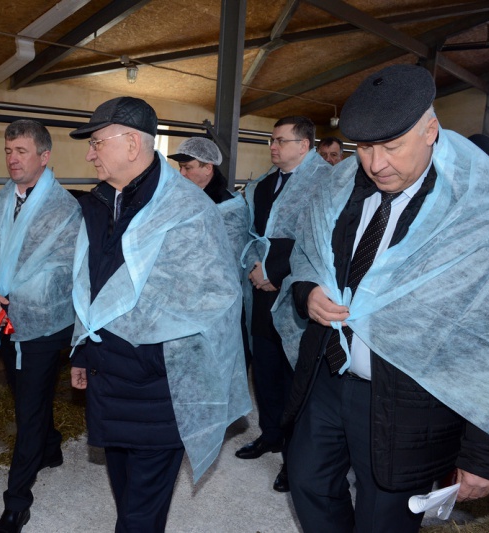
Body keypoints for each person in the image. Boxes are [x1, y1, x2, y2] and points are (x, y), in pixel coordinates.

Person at [273, 64, 489, 533]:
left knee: (384, 518)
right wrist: (307, 293)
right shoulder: (340, 186)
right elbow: (308, 259)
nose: (376, 164)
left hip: (412, 400)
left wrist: (486, 454)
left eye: (392, 146)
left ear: (431, 130)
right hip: (329, 379)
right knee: (308, 482)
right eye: (364, 148)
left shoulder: (484, 209)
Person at [68, 96, 250, 532]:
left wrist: (150, 354)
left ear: (132, 144)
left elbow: (216, 298)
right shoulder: (98, 203)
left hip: (159, 384)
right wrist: (81, 350)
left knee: (139, 515)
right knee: (124, 490)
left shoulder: (188, 210)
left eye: (96, 143)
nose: (90, 154)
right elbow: (88, 286)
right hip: (108, 376)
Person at [0, 120, 82, 533]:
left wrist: (13, 301)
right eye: (8, 151)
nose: (12, 159)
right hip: (5, 320)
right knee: (25, 393)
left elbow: (65, 272)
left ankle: (17, 503)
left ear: (44, 157)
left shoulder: (64, 210)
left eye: (22, 151)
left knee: (28, 409)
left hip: (44, 325)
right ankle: (51, 447)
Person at [237, 116, 331, 495]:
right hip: (261, 290)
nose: (273, 147)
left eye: (280, 140)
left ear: (304, 145)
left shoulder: (326, 182)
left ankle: (296, 459)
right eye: (271, 141)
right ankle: (270, 434)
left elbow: (318, 239)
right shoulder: (264, 184)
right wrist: (253, 268)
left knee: (297, 378)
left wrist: (275, 271)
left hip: (299, 294)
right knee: (265, 368)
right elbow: (251, 232)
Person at [167, 137, 252, 365]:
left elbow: (226, 262)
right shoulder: (183, 198)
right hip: (185, 298)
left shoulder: (229, 207)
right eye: (180, 168)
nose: (182, 174)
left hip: (216, 302)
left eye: (188, 168)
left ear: (208, 168)